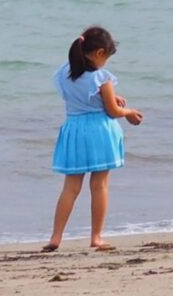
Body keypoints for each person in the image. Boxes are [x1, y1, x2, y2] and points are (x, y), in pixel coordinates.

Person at [45, 24, 142, 252]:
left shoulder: (64, 73)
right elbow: (112, 111)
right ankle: (96, 237)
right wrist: (129, 112)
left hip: (74, 131)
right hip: (99, 132)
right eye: (106, 57)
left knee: (70, 188)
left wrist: (110, 96)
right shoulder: (101, 78)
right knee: (99, 186)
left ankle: (56, 237)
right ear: (99, 53)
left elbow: (82, 97)